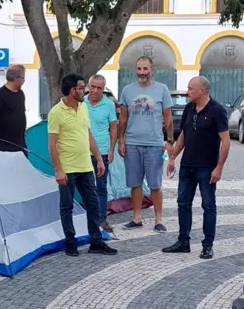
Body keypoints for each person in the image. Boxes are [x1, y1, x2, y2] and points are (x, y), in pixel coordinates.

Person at [47, 74, 118, 257]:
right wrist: (58, 170)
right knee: (67, 206)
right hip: (68, 169)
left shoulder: (83, 107)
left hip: (86, 166)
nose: (85, 90)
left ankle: (96, 241)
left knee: (93, 204)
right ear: (73, 90)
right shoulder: (56, 112)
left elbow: (88, 135)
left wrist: (99, 158)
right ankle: (70, 242)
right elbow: (52, 144)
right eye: (82, 87)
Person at [163, 76, 230, 259]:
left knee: (208, 205)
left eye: (191, 88)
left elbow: (225, 141)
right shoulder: (189, 108)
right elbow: (184, 134)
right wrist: (173, 157)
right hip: (187, 166)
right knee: (183, 203)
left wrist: (219, 168)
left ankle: (207, 245)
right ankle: (183, 241)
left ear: (202, 91)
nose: (187, 91)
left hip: (207, 167)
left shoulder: (217, 111)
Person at [118, 56, 173, 231]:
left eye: (145, 69)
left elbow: (168, 118)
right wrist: (121, 141)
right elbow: (123, 118)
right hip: (132, 143)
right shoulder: (127, 90)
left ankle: (158, 219)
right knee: (135, 183)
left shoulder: (162, 90)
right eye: (139, 69)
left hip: (155, 144)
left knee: (155, 184)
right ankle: (136, 217)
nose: (142, 72)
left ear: (152, 70)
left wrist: (170, 141)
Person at [85, 74, 119, 230]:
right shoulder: (81, 103)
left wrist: (112, 149)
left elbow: (113, 127)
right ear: (88, 86)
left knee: (101, 186)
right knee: (85, 186)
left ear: (103, 89)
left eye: (99, 88)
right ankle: (87, 218)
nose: (95, 91)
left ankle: (102, 219)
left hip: (103, 151)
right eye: (93, 87)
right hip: (83, 151)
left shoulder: (108, 104)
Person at [0, 64, 27, 153]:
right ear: (15, 78)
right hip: (4, 144)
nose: (24, 81)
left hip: (20, 143)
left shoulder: (20, 94)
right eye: (23, 78)